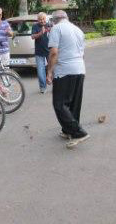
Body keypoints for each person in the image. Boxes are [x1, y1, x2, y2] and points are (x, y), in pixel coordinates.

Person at [46, 10, 90, 148]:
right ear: (66, 18)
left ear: (54, 20)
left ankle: (78, 133)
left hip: (64, 71)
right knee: (73, 103)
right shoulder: (78, 30)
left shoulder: (56, 29)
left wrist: (49, 71)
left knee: (59, 104)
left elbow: (54, 53)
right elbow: (82, 53)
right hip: (79, 69)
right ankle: (67, 130)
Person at [31, 12, 51, 94]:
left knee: (53, 69)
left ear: (45, 19)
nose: (42, 21)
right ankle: (43, 87)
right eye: (40, 19)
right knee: (40, 71)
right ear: (38, 20)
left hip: (50, 51)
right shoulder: (35, 26)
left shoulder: (50, 25)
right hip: (39, 52)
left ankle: (56, 86)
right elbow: (32, 37)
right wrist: (40, 33)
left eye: (43, 19)